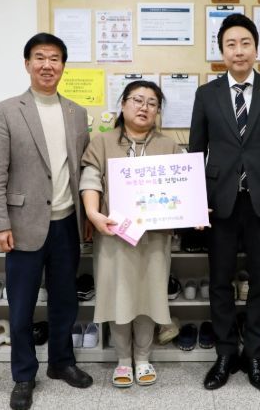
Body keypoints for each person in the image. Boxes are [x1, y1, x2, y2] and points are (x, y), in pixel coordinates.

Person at [189, 13, 260, 392]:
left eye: (245, 43)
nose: (238, 51)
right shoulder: (206, 94)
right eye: (231, 44)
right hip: (219, 202)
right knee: (219, 281)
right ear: (221, 52)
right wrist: (195, 202)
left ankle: (253, 355)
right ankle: (224, 354)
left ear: (256, 49)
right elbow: (195, 151)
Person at [0, 33, 92, 410]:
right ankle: (23, 375)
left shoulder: (77, 113)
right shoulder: (6, 111)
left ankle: (61, 362)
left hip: (66, 224)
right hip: (21, 225)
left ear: (63, 65)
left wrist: (87, 216)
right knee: (21, 307)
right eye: (40, 57)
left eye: (55, 58)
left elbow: (83, 169)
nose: (48, 65)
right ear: (27, 63)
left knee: (65, 301)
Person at [80, 80, 182, 388]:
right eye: (137, 100)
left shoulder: (169, 145)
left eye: (152, 103)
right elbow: (90, 179)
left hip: (155, 237)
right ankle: (123, 359)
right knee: (118, 295)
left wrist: (194, 211)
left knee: (150, 295)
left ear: (158, 111)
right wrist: (93, 213)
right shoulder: (102, 142)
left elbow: (182, 188)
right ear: (123, 104)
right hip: (114, 234)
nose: (144, 107)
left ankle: (144, 357)